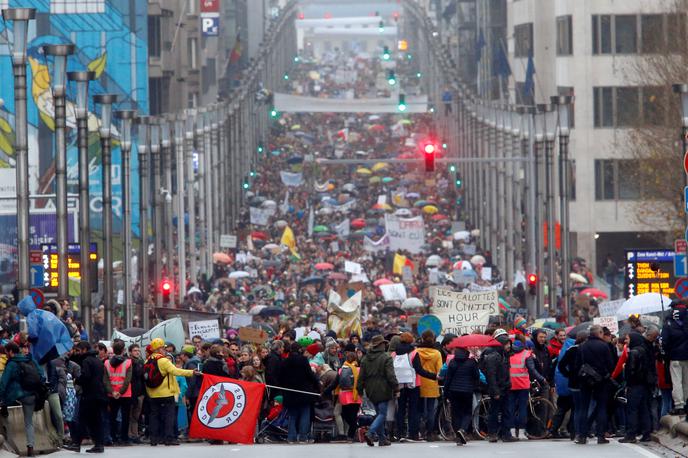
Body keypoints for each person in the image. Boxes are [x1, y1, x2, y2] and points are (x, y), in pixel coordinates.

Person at [145, 338, 196, 446]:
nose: (165, 350)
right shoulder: (163, 360)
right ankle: (169, 438)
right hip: (167, 393)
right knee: (169, 416)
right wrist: (191, 372)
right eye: (163, 348)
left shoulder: (148, 360)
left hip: (153, 394)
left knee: (154, 416)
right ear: (159, 349)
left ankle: (154, 439)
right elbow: (175, 371)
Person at [0, 342, 45, 456]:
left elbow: (3, 383)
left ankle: (9, 442)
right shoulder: (29, 359)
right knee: (28, 422)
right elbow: (41, 375)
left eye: (7, 352)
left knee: (4, 411)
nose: (6, 354)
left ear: (10, 352)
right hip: (32, 396)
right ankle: (30, 448)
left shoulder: (11, 364)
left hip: (16, 396)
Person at [64, 341, 107, 454]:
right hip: (99, 394)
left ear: (84, 349)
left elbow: (86, 376)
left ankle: (76, 444)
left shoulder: (86, 361)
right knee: (96, 421)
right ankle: (99, 444)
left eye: (79, 350)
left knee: (81, 419)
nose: (78, 352)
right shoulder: (98, 361)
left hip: (89, 395)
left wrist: (77, 379)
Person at [575, 325, 614, 445]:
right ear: (600, 333)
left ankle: (582, 436)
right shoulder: (604, 346)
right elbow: (610, 364)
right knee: (601, 407)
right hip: (601, 380)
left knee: (583, 407)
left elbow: (577, 364)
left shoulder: (582, 346)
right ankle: (600, 435)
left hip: (585, 379)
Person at [357, 334, 398, 447]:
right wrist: (396, 387)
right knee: (382, 414)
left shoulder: (365, 359)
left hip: (370, 389)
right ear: (380, 345)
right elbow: (390, 375)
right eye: (384, 343)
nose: (385, 345)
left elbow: (361, 377)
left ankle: (382, 439)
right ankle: (370, 433)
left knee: (378, 414)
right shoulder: (386, 357)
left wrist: (360, 390)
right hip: (383, 388)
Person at [279, 342, 320, 444]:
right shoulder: (303, 360)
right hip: (304, 392)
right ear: (299, 350)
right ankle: (303, 437)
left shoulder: (285, 361)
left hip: (290, 393)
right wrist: (317, 383)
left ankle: (291, 437)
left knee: (292, 415)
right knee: (305, 414)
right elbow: (309, 375)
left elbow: (281, 377)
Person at [508, 335, 546, 440]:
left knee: (510, 409)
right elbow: (532, 370)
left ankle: (511, 432)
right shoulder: (526, 354)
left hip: (510, 385)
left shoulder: (508, 354)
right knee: (522, 409)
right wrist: (542, 379)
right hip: (523, 385)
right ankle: (521, 432)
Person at [481, 329, 514, 442]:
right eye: (507, 344)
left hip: (505, 388)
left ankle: (506, 434)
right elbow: (491, 376)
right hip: (497, 390)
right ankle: (492, 434)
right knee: (494, 412)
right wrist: (495, 391)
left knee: (507, 412)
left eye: (509, 343)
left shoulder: (504, 355)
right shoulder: (493, 356)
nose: (509, 346)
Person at [619, 333, 653, 443]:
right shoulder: (644, 350)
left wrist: (627, 382)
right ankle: (646, 433)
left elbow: (631, 371)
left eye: (627, 338)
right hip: (644, 385)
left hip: (635, 385)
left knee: (632, 410)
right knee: (644, 409)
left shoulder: (634, 352)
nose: (626, 340)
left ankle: (631, 435)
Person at [443, 346, 479, 446]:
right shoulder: (472, 362)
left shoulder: (452, 362)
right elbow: (476, 376)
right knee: (467, 412)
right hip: (467, 390)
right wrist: (474, 386)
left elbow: (448, 379)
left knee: (456, 413)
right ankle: (462, 430)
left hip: (453, 390)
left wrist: (445, 393)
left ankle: (458, 437)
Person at [103, 340, 133, 445]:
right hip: (125, 394)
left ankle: (113, 437)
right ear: (123, 350)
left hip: (111, 394)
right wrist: (120, 392)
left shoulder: (106, 363)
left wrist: (112, 391)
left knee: (112, 417)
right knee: (125, 417)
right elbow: (128, 380)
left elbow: (105, 380)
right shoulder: (128, 362)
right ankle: (124, 438)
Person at [661, 300, 688, 415]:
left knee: (677, 381)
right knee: (686, 382)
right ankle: (686, 403)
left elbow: (664, 341)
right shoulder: (687, 317)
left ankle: (679, 405)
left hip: (674, 356)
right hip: (687, 356)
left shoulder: (669, 321)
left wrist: (665, 355)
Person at [416, 330, 442, 441]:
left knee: (419, 409)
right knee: (431, 410)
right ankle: (429, 433)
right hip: (432, 383)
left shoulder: (417, 352)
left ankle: (419, 431)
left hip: (419, 383)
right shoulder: (437, 353)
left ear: (422, 338)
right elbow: (439, 370)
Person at [127, 344, 145, 443]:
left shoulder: (140, 362)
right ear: (130, 352)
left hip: (140, 393)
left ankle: (135, 435)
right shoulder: (129, 362)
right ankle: (130, 435)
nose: (137, 352)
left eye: (138, 350)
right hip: (131, 393)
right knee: (130, 416)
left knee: (136, 416)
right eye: (135, 350)